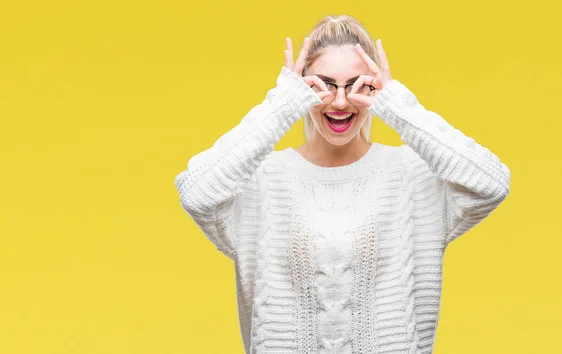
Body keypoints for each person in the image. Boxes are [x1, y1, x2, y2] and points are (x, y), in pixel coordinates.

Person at [174, 14, 511, 354]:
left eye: (356, 85)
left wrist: (398, 107)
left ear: (374, 87)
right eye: (324, 85)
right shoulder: (262, 181)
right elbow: (196, 192)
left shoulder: (411, 176)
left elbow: (491, 183)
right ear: (302, 89)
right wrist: (280, 106)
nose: (339, 101)